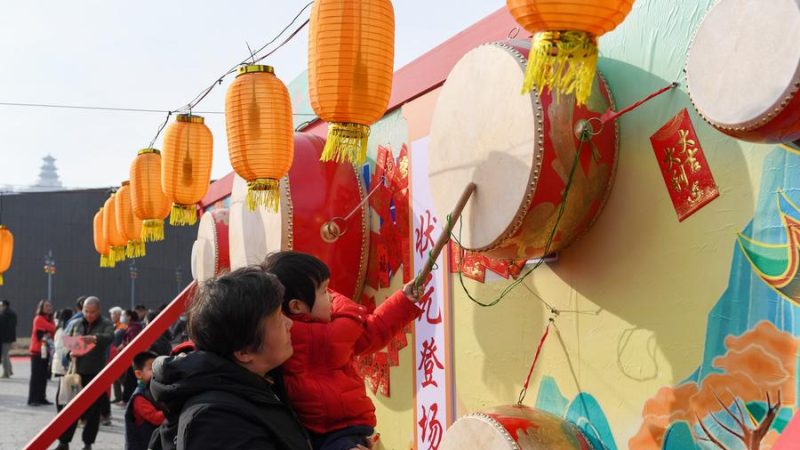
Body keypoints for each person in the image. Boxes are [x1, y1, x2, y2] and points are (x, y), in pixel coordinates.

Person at [263, 251, 421, 450]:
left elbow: (369, 333)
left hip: (322, 432)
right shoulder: (335, 331)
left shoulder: (281, 334)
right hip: (337, 431)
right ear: (296, 306)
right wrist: (403, 301)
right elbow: (372, 332)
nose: (330, 296)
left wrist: (403, 301)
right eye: (324, 291)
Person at [150, 265, 313, 450]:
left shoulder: (259, 381)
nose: (289, 323)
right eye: (277, 318)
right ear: (243, 352)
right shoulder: (217, 422)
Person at [55, 296, 115, 450]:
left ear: (99, 310)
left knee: (93, 411)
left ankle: (88, 443)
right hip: (75, 372)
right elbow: (63, 344)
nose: (89, 315)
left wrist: (95, 338)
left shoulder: (106, 323)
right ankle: (64, 441)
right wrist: (69, 354)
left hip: (95, 373)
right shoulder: (75, 322)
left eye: (93, 312)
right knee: (68, 408)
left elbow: (110, 337)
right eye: (86, 311)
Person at [124, 351, 164, 450]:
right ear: (138, 374)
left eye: (158, 368)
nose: (156, 372)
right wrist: (173, 411)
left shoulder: (153, 390)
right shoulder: (139, 397)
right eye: (151, 369)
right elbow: (155, 418)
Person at [28, 299, 55, 406]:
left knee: (44, 376)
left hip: (47, 351)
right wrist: (51, 330)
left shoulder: (50, 320)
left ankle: (41, 397)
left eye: (50, 306)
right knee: (36, 376)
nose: (49, 308)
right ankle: (33, 399)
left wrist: (50, 330)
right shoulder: (38, 319)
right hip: (37, 351)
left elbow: (51, 332)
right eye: (46, 306)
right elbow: (42, 334)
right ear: (41, 308)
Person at [52, 308, 74, 409]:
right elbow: (61, 349)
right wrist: (65, 362)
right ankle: (60, 410)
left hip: (60, 362)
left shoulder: (61, 329)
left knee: (62, 388)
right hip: (62, 363)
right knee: (62, 389)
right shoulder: (62, 331)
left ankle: (61, 408)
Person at [121, 309, 143, 402]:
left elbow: (132, 343)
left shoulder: (132, 328)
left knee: (129, 380)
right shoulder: (132, 327)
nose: (122, 317)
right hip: (133, 357)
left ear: (129, 316)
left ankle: (127, 399)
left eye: (123, 315)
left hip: (132, 357)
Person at [0, 299, 18, 378]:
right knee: (6, 354)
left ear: (4, 305)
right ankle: (9, 370)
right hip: (10, 337)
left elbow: (2, 327)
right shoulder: (13, 313)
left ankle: (6, 373)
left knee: (4, 356)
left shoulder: (3, 314)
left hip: (4, 338)